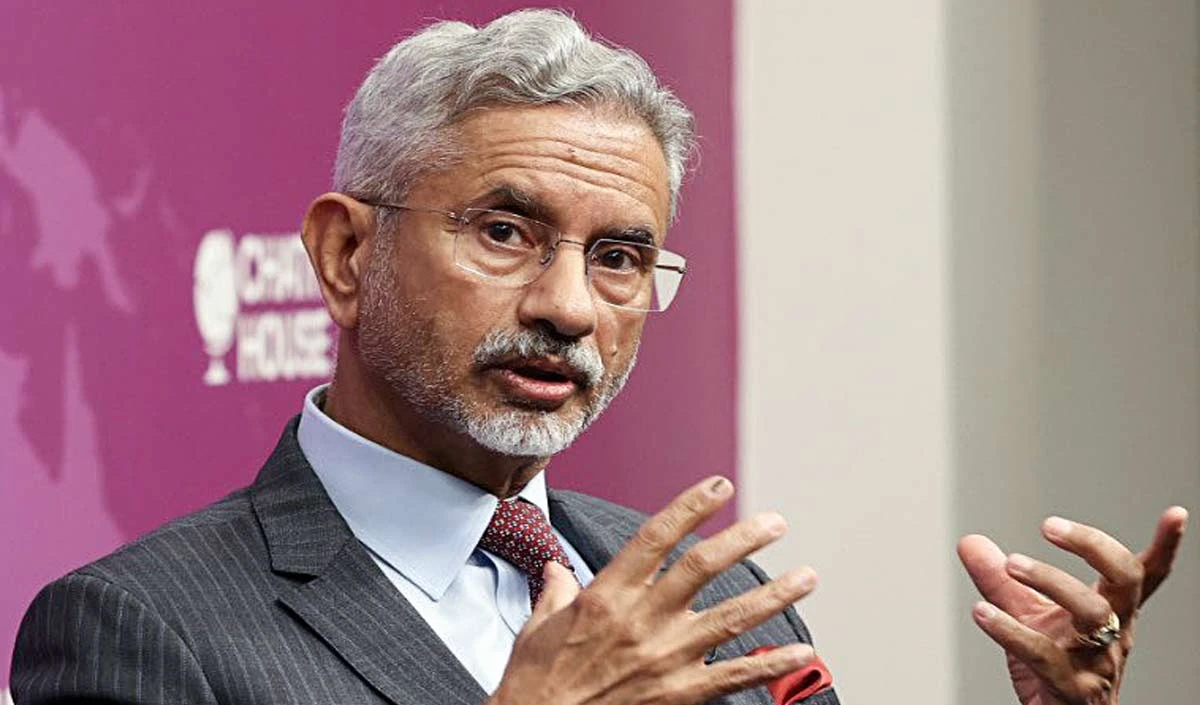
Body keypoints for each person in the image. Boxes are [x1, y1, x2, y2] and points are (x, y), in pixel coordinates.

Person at [10, 9, 1187, 705]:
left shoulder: (707, 597)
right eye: (504, 233)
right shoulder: (138, 631)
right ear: (345, 254)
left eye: (620, 257)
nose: (569, 307)